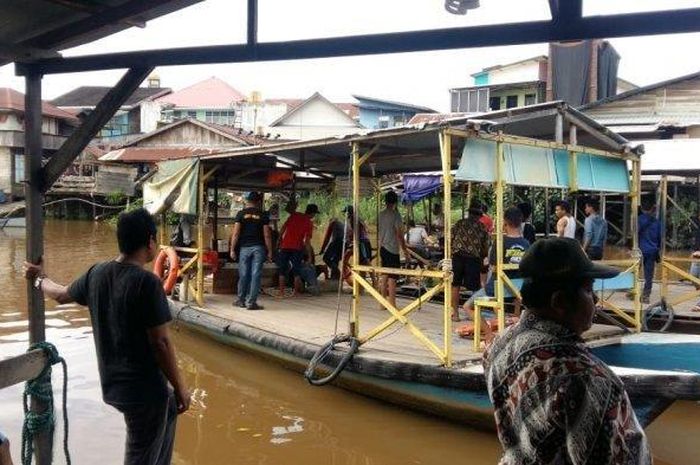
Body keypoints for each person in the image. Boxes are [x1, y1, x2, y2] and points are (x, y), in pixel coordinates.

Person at [24, 208, 190, 465]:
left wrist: (38, 278)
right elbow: (161, 343)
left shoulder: (96, 274)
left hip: (117, 387)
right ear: (149, 241)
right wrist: (181, 388)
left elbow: (60, 294)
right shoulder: (147, 283)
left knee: (164, 422)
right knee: (141, 456)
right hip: (145, 393)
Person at [484, 237, 651, 465]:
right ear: (560, 301)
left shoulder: (499, 344)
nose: (596, 300)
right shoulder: (587, 377)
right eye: (589, 290)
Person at [463, 207, 530, 329]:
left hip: (497, 288)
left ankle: (489, 334)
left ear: (504, 222)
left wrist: (488, 263)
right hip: (518, 289)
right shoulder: (526, 244)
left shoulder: (499, 242)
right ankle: (505, 324)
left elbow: (493, 268)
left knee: (467, 306)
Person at [230, 191, 273, 310]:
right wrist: (270, 251)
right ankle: (251, 302)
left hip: (244, 248)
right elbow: (267, 235)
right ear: (259, 202)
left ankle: (240, 300)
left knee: (243, 274)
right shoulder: (263, 215)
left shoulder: (241, 214)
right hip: (259, 248)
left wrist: (232, 249)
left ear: (247, 201)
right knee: (255, 274)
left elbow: (236, 233)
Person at [451, 200, 490, 322]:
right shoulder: (481, 227)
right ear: (479, 215)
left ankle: (455, 314)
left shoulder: (459, 223)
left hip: (458, 256)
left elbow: (451, 239)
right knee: (475, 287)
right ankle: (472, 314)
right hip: (473, 258)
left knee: (456, 285)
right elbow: (485, 247)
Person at [276, 202, 317, 295]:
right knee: (296, 270)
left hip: (285, 246)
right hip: (297, 247)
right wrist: (310, 256)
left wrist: (279, 240)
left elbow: (283, 228)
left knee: (282, 269)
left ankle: (281, 291)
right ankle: (295, 292)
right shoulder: (309, 223)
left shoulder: (294, 215)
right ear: (313, 213)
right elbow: (307, 241)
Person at [320, 206, 370, 279]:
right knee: (336, 260)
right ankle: (335, 277)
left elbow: (327, 238)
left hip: (342, 242)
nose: (345, 215)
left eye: (346, 213)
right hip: (346, 243)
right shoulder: (346, 223)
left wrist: (322, 249)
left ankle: (338, 272)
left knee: (326, 258)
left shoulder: (334, 223)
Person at [378, 191, 410, 308]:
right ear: (395, 202)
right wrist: (405, 250)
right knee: (392, 277)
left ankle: (382, 303)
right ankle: (392, 304)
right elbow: (400, 234)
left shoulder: (380, 215)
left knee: (384, 275)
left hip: (383, 248)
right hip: (392, 249)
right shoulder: (395, 215)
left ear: (385, 201)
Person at [638, 200, 662, 304]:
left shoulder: (639, 220)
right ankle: (646, 296)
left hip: (640, 250)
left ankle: (632, 291)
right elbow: (660, 238)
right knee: (649, 275)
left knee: (634, 271)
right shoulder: (657, 222)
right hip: (652, 251)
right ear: (652, 209)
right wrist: (658, 250)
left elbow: (635, 234)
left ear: (642, 209)